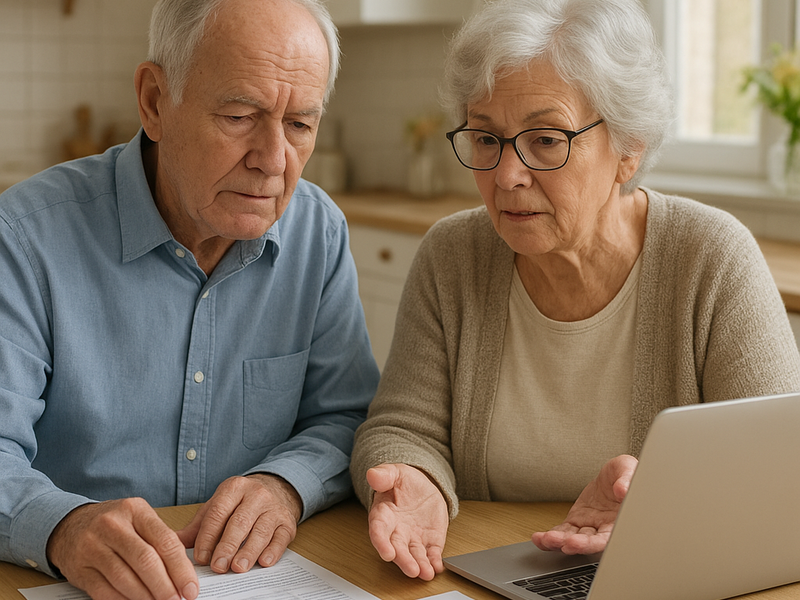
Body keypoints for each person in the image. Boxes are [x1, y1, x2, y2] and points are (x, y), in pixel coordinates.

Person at [349, 0, 800, 582]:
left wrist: (662, 500)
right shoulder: (452, 256)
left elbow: (782, 472)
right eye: (486, 140)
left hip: (664, 577)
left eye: (545, 139)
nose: (507, 174)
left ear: (628, 146)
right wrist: (412, 478)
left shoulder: (710, 258)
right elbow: (399, 427)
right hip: (483, 575)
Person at [0, 0, 380, 599]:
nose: (274, 160)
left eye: (300, 124)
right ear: (154, 100)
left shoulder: (318, 233)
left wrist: (285, 484)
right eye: (238, 115)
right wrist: (62, 527)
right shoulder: (25, 239)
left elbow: (345, 416)